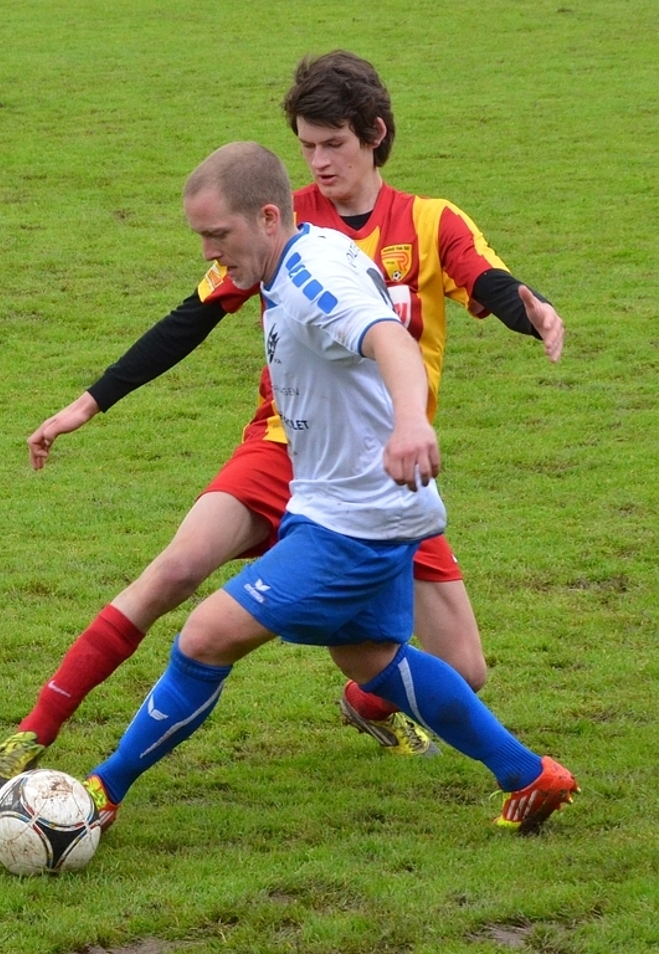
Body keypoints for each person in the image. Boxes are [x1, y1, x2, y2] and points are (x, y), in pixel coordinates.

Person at [0, 51, 566, 801]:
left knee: (463, 672)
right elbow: (188, 317)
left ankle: (380, 703)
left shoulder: (416, 223)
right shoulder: (278, 222)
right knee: (178, 574)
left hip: (379, 466)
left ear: (374, 135)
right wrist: (88, 402)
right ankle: (42, 736)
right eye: (306, 145)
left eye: (333, 144)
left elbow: (484, 279)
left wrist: (531, 308)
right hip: (288, 450)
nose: (317, 162)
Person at [74, 140, 578, 837]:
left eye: (218, 235)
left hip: (353, 519)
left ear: (269, 218)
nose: (209, 253)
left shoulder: (313, 279)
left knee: (204, 636)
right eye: (201, 238)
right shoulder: (301, 258)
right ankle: (529, 775)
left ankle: (99, 793)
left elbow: (392, 343)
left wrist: (408, 425)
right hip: (359, 505)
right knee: (368, 658)